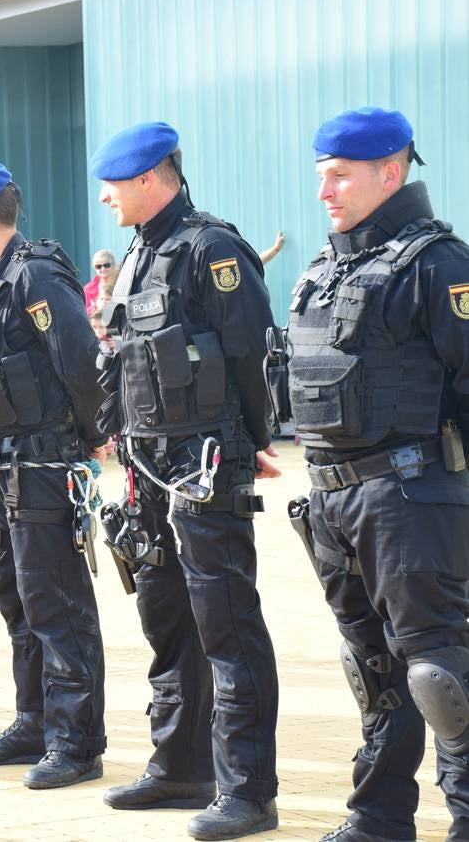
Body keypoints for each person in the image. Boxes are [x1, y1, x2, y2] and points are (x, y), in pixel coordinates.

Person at [282, 108, 469, 842]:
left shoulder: (437, 263)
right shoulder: (325, 267)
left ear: (390, 174)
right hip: (331, 498)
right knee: (371, 668)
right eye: (321, 175)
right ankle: (380, 819)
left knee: (439, 676)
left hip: (409, 496)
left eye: (339, 176)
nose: (324, 190)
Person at [92, 122, 280, 839]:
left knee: (226, 626)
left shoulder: (211, 248)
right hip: (148, 464)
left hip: (205, 461)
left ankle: (248, 791)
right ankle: (180, 765)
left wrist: (251, 442)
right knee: (166, 621)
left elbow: (251, 358)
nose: (105, 197)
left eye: (114, 183)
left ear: (149, 178)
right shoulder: (140, 253)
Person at [0, 162, 108, 788]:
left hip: (41, 464)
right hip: (1, 466)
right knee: (20, 604)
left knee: (56, 605)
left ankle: (76, 742)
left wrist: (87, 440)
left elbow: (80, 362)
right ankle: (35, 722)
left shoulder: (33, 276)